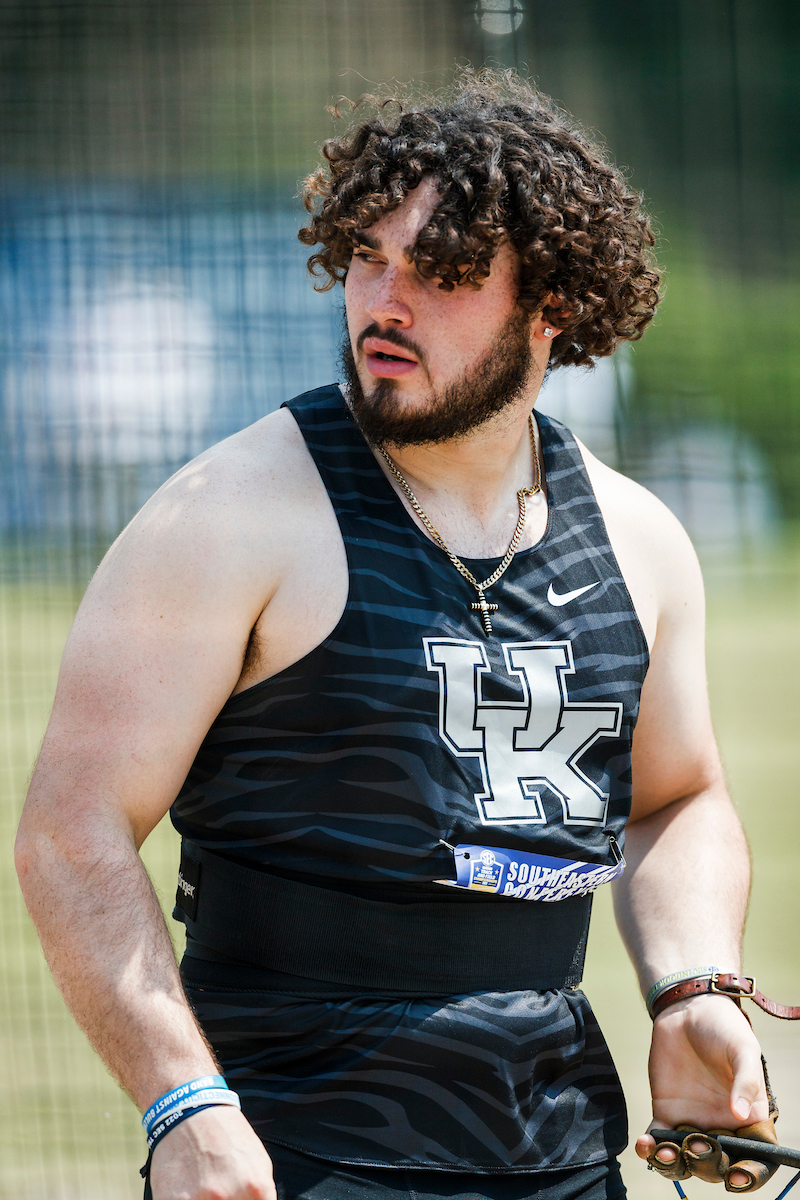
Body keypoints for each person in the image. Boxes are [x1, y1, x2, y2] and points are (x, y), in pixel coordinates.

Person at [15, 69, 779, 1200]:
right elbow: (70, 832)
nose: (385, 301)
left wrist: (689, 988)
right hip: (287, 1153)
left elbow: (675, 797)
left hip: (562, 1151)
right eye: (368, 257)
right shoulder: (225, 517)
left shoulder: (639, 540)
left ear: (551, 303)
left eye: (442, 273)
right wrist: (182, 1103)